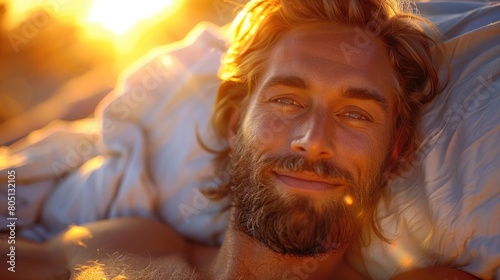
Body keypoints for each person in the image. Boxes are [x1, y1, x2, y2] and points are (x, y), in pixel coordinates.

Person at [0, 0, 493, 279]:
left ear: (396, 151)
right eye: (286, 101)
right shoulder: (137, 251)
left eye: (354, 113)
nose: (312, 140)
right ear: (236, 125)